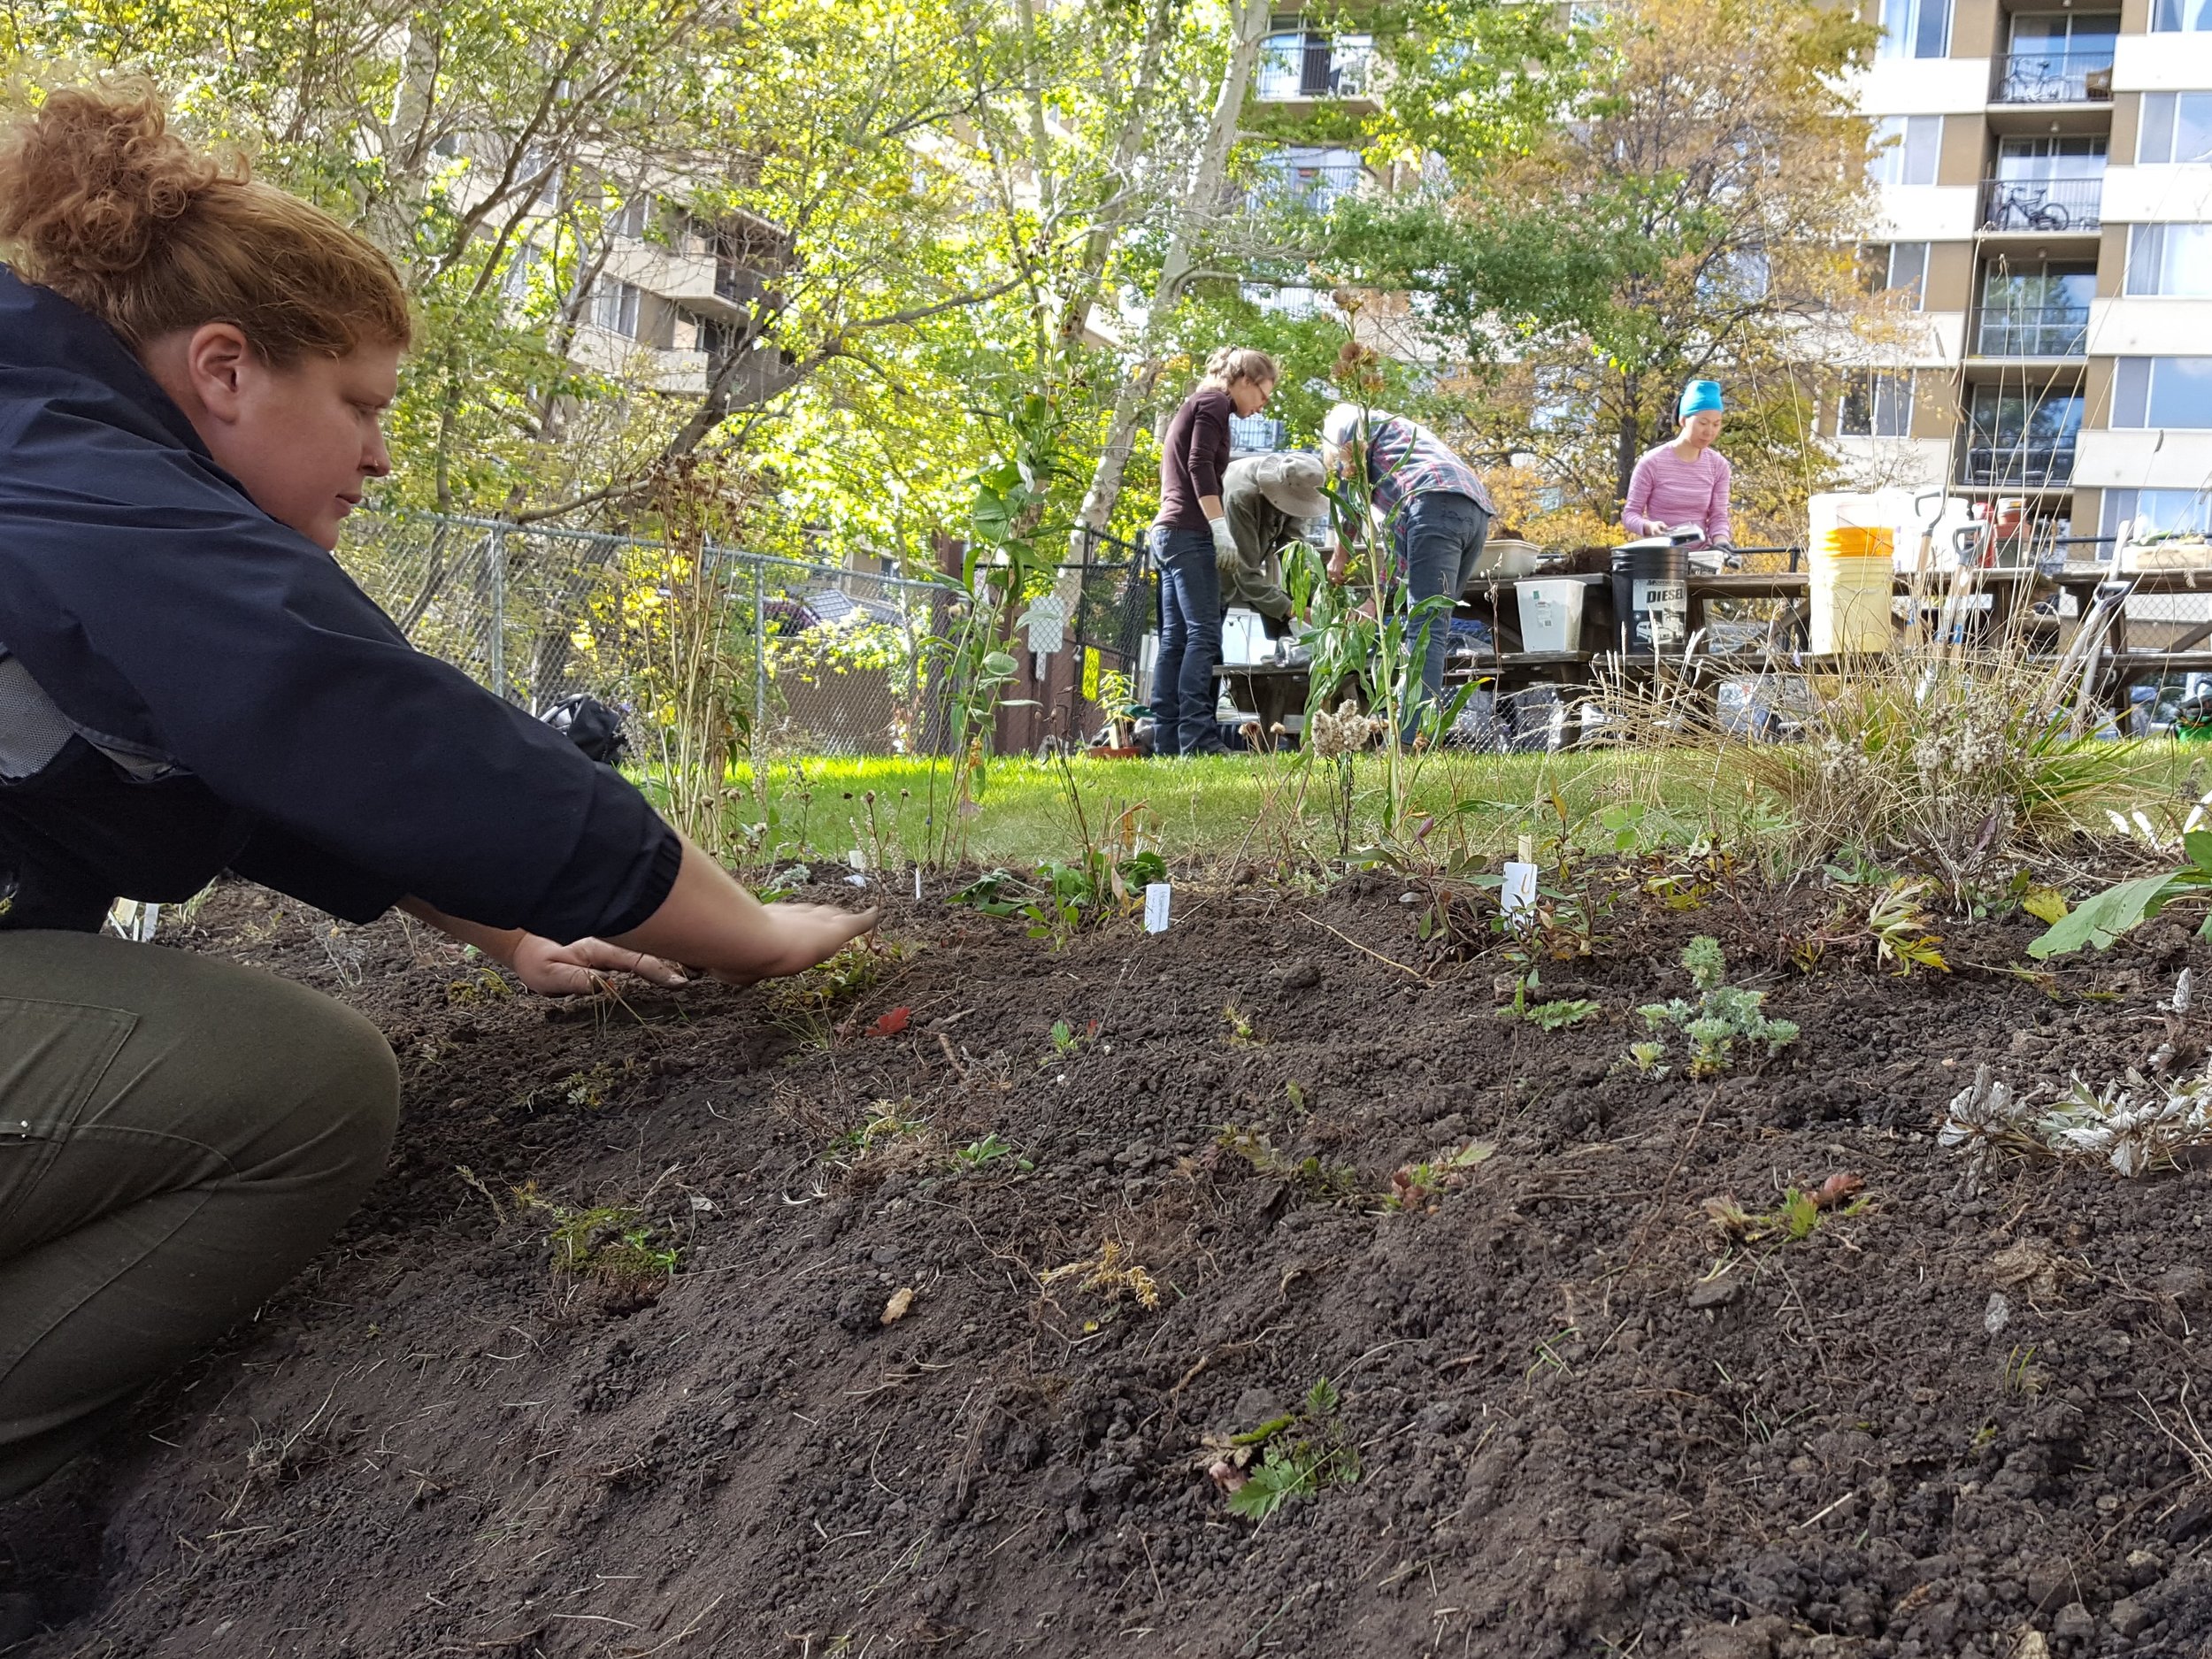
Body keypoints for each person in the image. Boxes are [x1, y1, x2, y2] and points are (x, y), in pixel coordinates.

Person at [0, 85, 876, 1529]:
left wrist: (507, 932)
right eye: (358, 403)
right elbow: (353, 715)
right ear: (224, 370)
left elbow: (243, 767)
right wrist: (752, 933)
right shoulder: (88, 482)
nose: (382, 454)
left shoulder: (48, 447)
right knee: (306, 1094)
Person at [1318, 403, 1495, 733]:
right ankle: (1422, 733)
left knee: (1424, 630)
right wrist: (1375, 602)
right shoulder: (1402, 436)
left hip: (1434, 502)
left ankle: (1410, 738)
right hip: (1475, 509)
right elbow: (1403, 545)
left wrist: (1340, 555)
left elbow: (1351, 495)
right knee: (1433, 625)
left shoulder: (1351, 425)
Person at [1148, 347, 1278, 757]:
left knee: (1176, 639)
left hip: (1167, 531)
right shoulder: (1215, 401)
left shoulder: (1198, 403)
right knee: (1203, 633)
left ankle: (1166, 739)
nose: (1263, 406)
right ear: (1244, 381)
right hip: (1187, 531)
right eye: (1263, 394)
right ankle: (1197, 737)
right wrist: (1219, 526)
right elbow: (1199, 463)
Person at [1219, 451, 1327, 641]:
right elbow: (1243, 569)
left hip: (1235, 569)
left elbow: (1294, 554)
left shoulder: (1300, 485)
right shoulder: (1241, 496)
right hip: (1208, 570)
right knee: (1203, 642)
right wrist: (1292, 609)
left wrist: (1318, 595)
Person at [1623, 380, 1734, 551]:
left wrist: (1721, 542)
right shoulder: (1652, 462)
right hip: (1661, 557)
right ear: (1683, 420)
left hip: (1702, 558)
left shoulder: (1718, 466)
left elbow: (1718, 516)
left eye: (1716, 424)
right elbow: (1630, 515)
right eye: (1703, 423)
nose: (1709, 431)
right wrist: (1649, 527)